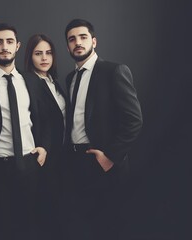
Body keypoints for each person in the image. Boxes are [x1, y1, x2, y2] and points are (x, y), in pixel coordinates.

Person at [61, 18, 143, 240]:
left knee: (108, 227)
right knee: (80, 225)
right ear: (67, 46)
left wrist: (111, 157)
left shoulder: (114, 71)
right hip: (75, 162)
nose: (78, 42)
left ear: (94, 41)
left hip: (104, 164)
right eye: (72, 39)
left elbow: (134, 120)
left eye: (83, 37)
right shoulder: (70, 78)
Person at [0, 23, 51, 240]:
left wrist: (44, 147)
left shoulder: (31, 80)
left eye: (9, 41)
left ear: (17, 46)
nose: (4, 46)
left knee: (28, 227)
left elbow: (45, 117)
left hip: (29, 164)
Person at [24, 33, 66, 239]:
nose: (44, 58)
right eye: (38, 53)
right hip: (42, 155)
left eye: (48, 53)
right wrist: (43, 146)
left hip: (62, 156)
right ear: (29, 56)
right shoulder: (28, 82)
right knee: (44, 213)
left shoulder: (54, 81)